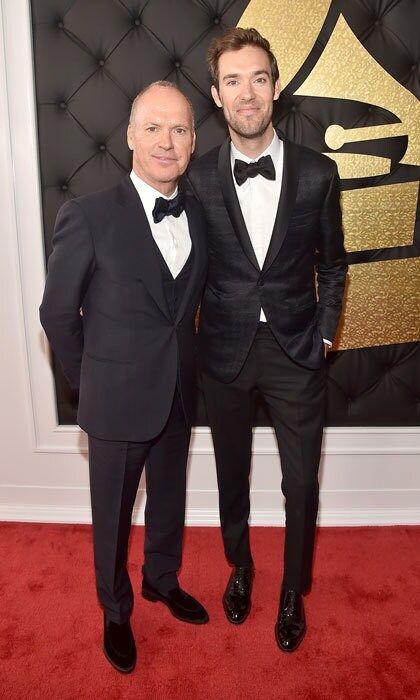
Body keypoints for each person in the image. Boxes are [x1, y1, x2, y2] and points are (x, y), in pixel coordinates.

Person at [40, 81, 208, 674]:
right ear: (130, 136)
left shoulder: (201, 215)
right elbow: (57, 313)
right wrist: (90, 384)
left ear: (193, 141)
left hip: (178, 393)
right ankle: (115, 609)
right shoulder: (85, 215)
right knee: (112, 515)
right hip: (114, 398)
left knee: (170, 498)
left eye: (181, 129)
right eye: (155, 128)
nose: (168, 141)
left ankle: (162, 579)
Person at [187, 28, 347, 652]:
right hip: (222, 353)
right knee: (231, 473)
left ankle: (292, 589)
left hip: (296, 350)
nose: (247, 93)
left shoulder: (318, 172)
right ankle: (242, 567)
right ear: (217, 95)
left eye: (258, 78)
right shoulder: (197, 179)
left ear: (275, 88)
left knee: (301, 482)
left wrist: (326, 337)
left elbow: (334, 266)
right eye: (233, 81)